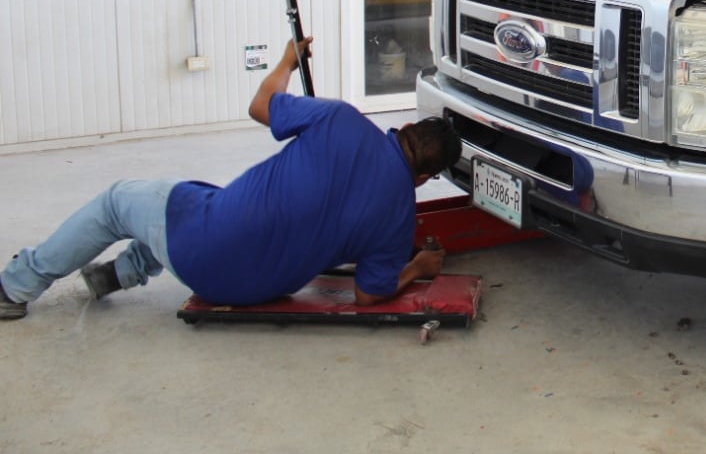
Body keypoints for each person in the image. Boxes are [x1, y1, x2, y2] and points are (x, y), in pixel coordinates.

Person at [0, 38, 462, 320]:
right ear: (425, 176)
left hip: (205, 249)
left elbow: (260, 106)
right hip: (254, 289)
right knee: (194, 202)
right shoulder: (398, 220)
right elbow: (370, 294)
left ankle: (15, 287)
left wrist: (286, 61)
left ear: (403, 129)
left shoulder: (341, 118)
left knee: (119, 202)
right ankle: (115, 275)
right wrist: (417, 267)